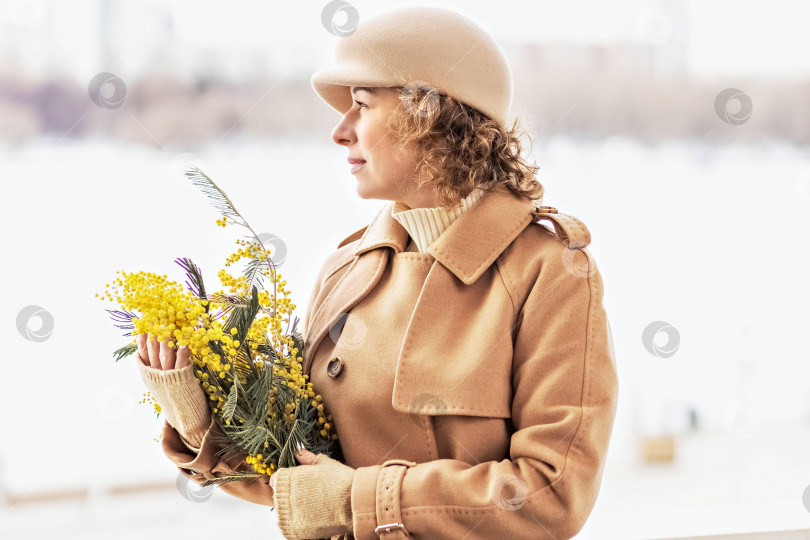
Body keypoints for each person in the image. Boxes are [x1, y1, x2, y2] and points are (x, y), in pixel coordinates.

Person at [137, 5, 619, 540]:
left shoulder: (550, 273)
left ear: (429, 114)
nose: (340, 132)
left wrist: (358, 499)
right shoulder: (345, 270)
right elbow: (295, 480)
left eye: (361, 105)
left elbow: (551, 496)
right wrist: (197, 415)